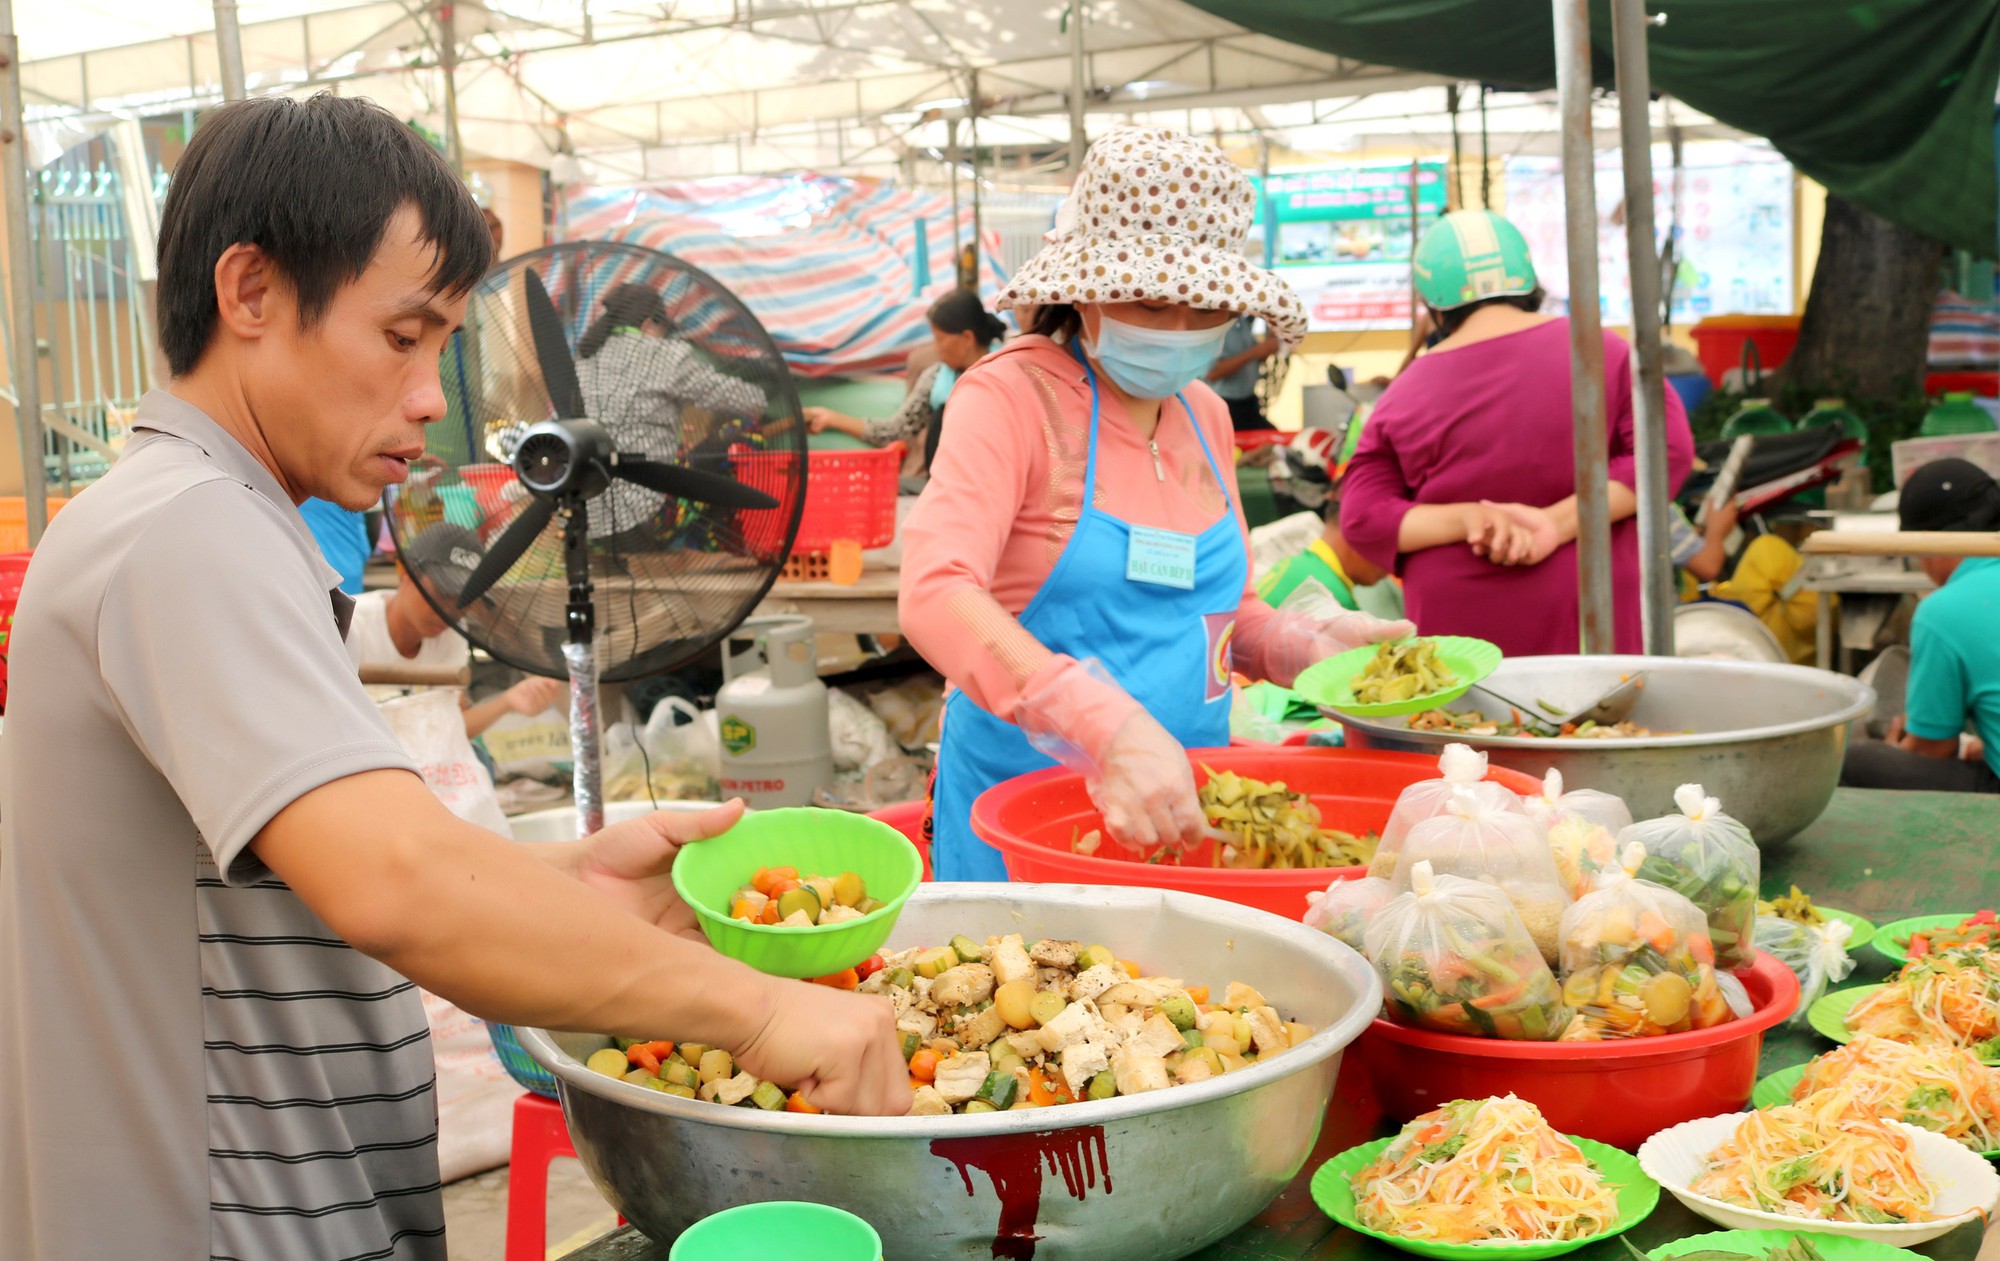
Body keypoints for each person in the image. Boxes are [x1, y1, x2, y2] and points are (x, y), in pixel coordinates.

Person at [0, 93, 906, 1261]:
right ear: (252, 294)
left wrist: (551, 878)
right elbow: (396, 880)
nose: (432, 395)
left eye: (442, 347)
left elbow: (312, 873)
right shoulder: (188, 531)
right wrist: (765, 1006)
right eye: (401, 337)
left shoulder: (195, 521)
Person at [901, 125, 1410, 879]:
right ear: (1083, 286)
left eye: (1203, 308)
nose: (1177, 329)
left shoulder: (1202, 412)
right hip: (1029, 821)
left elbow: (1218, 617)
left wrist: (1309, 648)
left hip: (1183, 815)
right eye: (1147, 300)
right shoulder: (1011, 398)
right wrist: (1101, 725)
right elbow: (936, 592)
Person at [1337, 209, 1695, 656]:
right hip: (1588, 622)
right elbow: (1666, 454)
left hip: (1460, 649)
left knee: (1467, 726)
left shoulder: (1402, 393)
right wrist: (1556, 523)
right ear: (1530, 283)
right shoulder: (1603, 352)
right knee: (1594, 725)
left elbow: (1362, 517)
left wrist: (1469, 519)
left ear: (1433, 304)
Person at [1840, 458, 2000, 794]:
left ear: (1928, 545)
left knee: (1854, 763)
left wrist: (1895, 752)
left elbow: (1933, 747)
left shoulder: (1943, 611)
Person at [574, 282, 769, 539]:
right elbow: (750, 403)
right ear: (647, 323)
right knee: (743, 431)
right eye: (662, 328)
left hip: (586, 521)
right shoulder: (665, 355)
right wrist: (766, 401)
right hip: (649, 518)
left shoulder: (583, 360)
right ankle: (706, 542)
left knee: (675, 451)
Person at [348, 522, 566, 734]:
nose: (449, 613)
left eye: (462, 602)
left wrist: (508, 701)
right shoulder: (350, 624)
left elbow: (455, 727)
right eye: (442, 595)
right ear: (405, 571)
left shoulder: (451, 632)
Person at [805, 287, 1007, 476]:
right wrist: (832, 419)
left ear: (967, 338)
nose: (937, 349)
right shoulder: (936, 378)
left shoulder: (1006, 375)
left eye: (940, 339)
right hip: (945, 485)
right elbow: (896, 429)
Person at [1207, 314, 1281, 431]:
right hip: (1226, 404)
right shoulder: (1216, 326)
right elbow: (1212, 373)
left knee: (1272, 439)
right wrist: (1257, 351)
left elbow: (1254, 359)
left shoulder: (1241, 322)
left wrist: (1271, 337)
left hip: (1248, 401)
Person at [299, 494, 372, 594]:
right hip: (351, 566)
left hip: (318, 570)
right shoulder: (352, 492)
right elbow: (363, 542)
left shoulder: (301, 493)